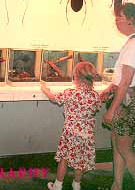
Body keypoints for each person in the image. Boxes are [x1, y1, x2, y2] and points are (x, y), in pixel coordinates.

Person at [100, 2, 135, 190]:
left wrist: (111, 110)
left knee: (124, 147)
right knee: (116, 143)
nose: (116, 22)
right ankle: (117, 185)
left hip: (132, 100)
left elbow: (126, 81)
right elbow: (121, 78)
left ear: (131, 20)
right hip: (130, 96)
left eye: (119, 18)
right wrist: (109, 89)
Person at [41, 61, 102, 190]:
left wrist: (45, 90)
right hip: (87, 134)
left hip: (71, 133)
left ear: (76, 77)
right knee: (81, 161)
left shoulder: (70, 93)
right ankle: (77, 184)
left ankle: (57, 185)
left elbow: (54, 98)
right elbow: (97, 107)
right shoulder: (95, 95)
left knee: (64, 159)